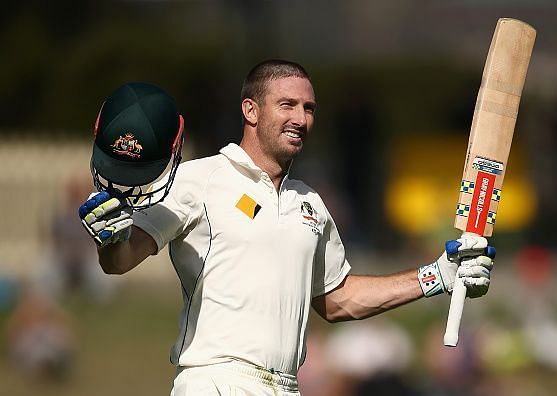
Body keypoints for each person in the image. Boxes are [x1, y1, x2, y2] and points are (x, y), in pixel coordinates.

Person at [79, 60, 495, 396]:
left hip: (287, 386)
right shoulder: (201, 178)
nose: (301, 118)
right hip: (215, 380)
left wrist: (436, 275)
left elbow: (338, 299)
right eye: (287, 105)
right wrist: (111, 241)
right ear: (251, 110)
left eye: (309, 108)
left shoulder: (311, 204)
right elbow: (122, 259)